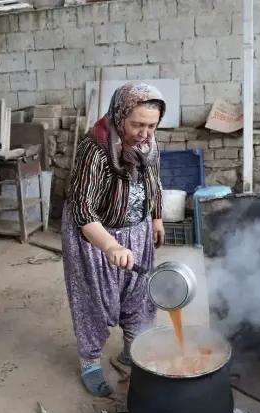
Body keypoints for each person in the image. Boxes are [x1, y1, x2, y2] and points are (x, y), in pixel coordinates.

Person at [61, 82, 166, 396]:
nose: (145, 133)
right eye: (137, 124)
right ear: (120, 116)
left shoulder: (148, 144)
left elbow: (155, 181)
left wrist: (156, 217)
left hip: (138, 231)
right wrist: (110, 245)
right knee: (95, 301)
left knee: (140, 297)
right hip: (94, 236)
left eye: (152, 125)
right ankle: (90, 362)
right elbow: (81, 207)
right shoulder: (96, 148)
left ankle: (133, 352)